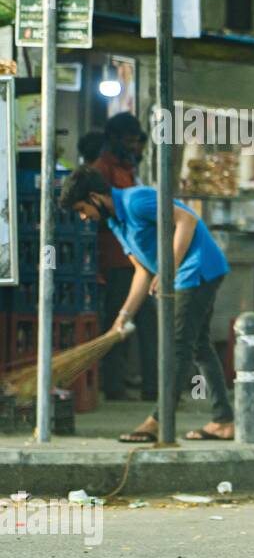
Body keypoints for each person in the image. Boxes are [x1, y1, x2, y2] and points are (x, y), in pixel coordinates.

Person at [59, 168, 234, 443]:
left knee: (179, 346)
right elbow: (141, 272)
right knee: (198, 346)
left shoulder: (135, 201)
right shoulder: (116, 223)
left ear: (94, 197)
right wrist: (123, 315)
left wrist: (168, 271)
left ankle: (157, 420)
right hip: (183, 275)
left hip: (198, 268)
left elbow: (187, 220)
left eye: (82, 209)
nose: (84, 217)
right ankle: (223, 420)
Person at [90, 114, 158, 402]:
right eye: (128, 140)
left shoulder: (129, 169)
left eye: (135, 141)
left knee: (148, 325)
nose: (133, 146)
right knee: (120, 325)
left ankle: (153, 387)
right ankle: (115, 387)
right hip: (116, 261)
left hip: (138, 259)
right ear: (115, 139)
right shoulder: (101, 170)